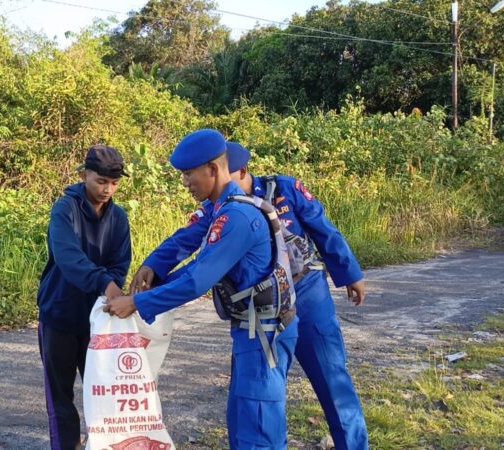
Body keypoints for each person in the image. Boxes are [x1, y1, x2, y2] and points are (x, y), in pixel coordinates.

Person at [130, 142, 369, 450]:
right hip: (258, 309)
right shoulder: (219, 207)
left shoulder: (283, 189)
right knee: (251, 399)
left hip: (308, 295)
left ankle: (353, 445)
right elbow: (187, 239)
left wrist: (350, 273)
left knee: (332, 379)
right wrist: (154, 265)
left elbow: (323, 229)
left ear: (240, 171)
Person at [104, 129, 298, 449]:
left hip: (265, 334)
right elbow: (198, 264)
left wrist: (137, 304)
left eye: (188, 174)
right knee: (242, 419)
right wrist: (157, 277)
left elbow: (198, 281)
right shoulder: (223, 208)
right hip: (253, 329)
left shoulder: (236, 215)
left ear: (212, 169)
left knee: (259, 427)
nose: (185, 182)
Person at [37, 144, 132, 450]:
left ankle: (102, 444)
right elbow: (69, 258)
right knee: (61, 395)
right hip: (59, 314)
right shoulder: (65, 209)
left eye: (114, 183)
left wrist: (113, 286)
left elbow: (120, 263)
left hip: (99, 321)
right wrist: (106, 283)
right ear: (85, 175)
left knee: (103, 390)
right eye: (101, 181)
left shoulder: (119, 217)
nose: (107, 189)